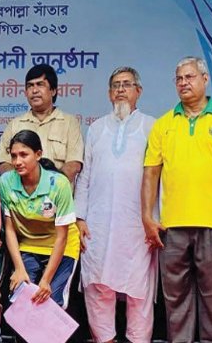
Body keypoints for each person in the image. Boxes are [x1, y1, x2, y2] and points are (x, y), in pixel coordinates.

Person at [74, 67, 156, 342]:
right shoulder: (96, 128)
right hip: (98, 223)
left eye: (127, 84)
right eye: (116, 85)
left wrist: (154, 220)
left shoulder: (152, 126)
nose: (121, 90)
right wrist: (80, 218)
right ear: (109, 93)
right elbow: (85, 175)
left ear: (138, 91)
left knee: (139, 290)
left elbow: (158, 176)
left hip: (137, 225)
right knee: (98, 287)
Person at [142, 56, 212, 342]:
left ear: (205, 79)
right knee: (175, 300)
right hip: (172, 226)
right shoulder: (164, 124)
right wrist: (147, 218)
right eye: (179, 79)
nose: (184, 83)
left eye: (190, 77)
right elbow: (151, 173)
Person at [0, 130, 79, 308]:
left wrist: (46, 280)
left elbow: (62, 237)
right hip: (28, 244)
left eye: (24, 155)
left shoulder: (59, 184)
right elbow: (9, 229)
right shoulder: (6, 181)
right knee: (21, 297)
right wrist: (19, 269)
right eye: (13, 156)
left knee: (51, 302)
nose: (17, 161)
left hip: (61, 245)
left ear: (38, 154)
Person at [0, 64, 84, 183]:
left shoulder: (70, 123)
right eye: (30, 86)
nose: (34, 90)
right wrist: (25, 187)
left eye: (40, 84)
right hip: (21, 193)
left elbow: (73, 165)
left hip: (56, 193)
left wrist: (47, 187)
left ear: (53, 91)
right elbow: (4, 164)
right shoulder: (14, 124)